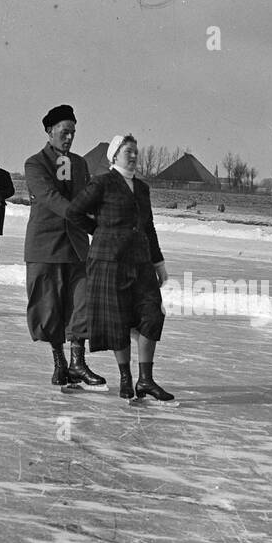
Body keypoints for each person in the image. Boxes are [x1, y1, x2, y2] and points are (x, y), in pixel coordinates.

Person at [67, 134, 172, 401]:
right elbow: (74, 213)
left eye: (136, 151)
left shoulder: (143, 188)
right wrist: (101, 233)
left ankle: (145, 380)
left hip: (141, 262)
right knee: (119, 321)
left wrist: (158, 263)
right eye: (128, 151)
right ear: (114, 155)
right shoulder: (102, 183)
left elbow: (148, 227)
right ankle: (126, 378)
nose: (134, 155)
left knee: (152, 315)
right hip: (109, 263)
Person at [23, 104, 105, 386]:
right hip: (45, 246)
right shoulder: (35, 164)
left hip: (77, 247)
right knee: (49, 307)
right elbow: (49, 197)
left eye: (73, 132)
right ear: (49, 131)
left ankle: (78, 363)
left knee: (82, 303)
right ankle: (59, 362)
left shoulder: (80, 164)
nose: (69, 138)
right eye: (64, 132)